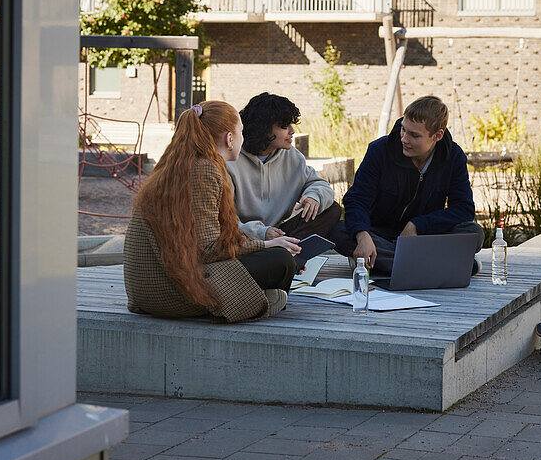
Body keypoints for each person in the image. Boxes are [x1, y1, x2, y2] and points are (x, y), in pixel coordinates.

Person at [124, 100, 302, 322]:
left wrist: (262, 246)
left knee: (277, 256)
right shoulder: (204, 170)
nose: (243, 139)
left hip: (151, 288)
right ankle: (249, 301)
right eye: (241, 133)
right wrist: (265, 245)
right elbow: (207, 250)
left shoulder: (181, 163)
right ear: (229, 138)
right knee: (280, 261)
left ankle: (256, 297)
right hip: (172, 290)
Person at [332, 95, 484, 276]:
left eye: (414, 135)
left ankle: (389, 263)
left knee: (473, 233)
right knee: (340, 231)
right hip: (380, 234)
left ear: (437, 136)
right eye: (403, 130)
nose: (404, 138)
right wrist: (363, 235)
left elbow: (463, 209)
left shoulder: (453, 157)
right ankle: (441, 265)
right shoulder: (379, 151)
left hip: (423, 238)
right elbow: (356, 200)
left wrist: (417, 225)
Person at [228, 92, 342, 243]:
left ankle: (289, 253)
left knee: (331, 209)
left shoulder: (292, 157)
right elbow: (224, 218)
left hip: (278, 232)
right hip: (244, 236)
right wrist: (261, 232)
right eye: (284, 126)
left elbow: (319, 184)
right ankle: (284, 255)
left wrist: (314, 197)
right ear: (264, 128)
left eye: (291, 124)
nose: (292, 131)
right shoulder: (230, 159)